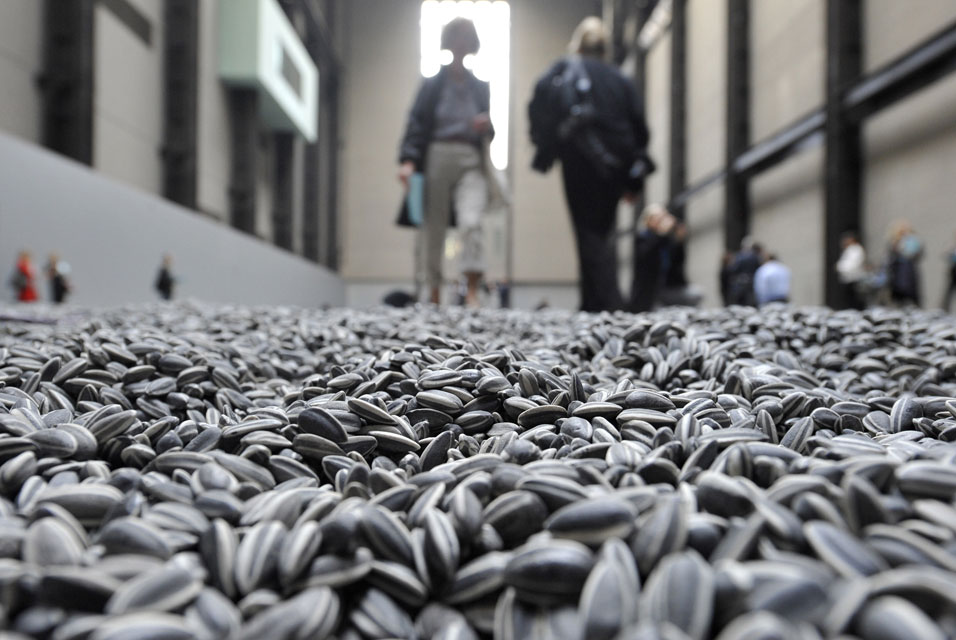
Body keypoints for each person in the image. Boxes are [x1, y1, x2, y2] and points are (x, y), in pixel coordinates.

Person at [528, 16, 653, 312]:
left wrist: (545, 144)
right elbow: (640, 129)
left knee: (587, 232)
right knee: (602, 230)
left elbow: (539, 100)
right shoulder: (621, 79)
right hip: (616, 167)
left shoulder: (565, 69)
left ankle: (610, 305)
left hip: (579, 158)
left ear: (578, 45)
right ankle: (592, 303)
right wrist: (633, 176)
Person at [398, 17, 493, 307]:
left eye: (466, 38)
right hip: (436, 155)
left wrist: (487, 126)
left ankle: (472, 289)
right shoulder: (431, 84)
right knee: (433, 226)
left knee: (472, 221)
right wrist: (408, 160)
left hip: (471, 156)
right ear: (448, 42)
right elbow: (416, 122)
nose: (461, 44)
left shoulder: (481, 86)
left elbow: (490, 129)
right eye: (456, 37)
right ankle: (435, 290)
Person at [630, 204, 676, 312]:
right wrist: (662, 233)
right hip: (645, 286)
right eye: (658, 217)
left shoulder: (663, 238)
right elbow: (645, 255)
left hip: (662, 282)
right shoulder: (643, 236)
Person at [887, 220, 922, 307]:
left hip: (907, 268)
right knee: (899, 291)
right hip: (898, 269)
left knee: (909, 289)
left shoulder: (912, 240)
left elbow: (915, 253)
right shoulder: (895, 241)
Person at [835, 231, 867, 310]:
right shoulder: (850, 250)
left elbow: (852, 265)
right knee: (848, 299)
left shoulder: (856, 250)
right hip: (847, 279)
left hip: (853, 278)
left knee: (853, 299)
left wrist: (840, 267)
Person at [728, 237, 762, 306]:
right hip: (751, 283)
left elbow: (733, 269)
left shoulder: (739, 256)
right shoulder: (755, 257)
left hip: (741, 284)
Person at [944, 232, 956, 313]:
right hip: (954, 270)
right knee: (949, 292)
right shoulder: (953, 245)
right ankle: (945, 309)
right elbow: (945, 254)